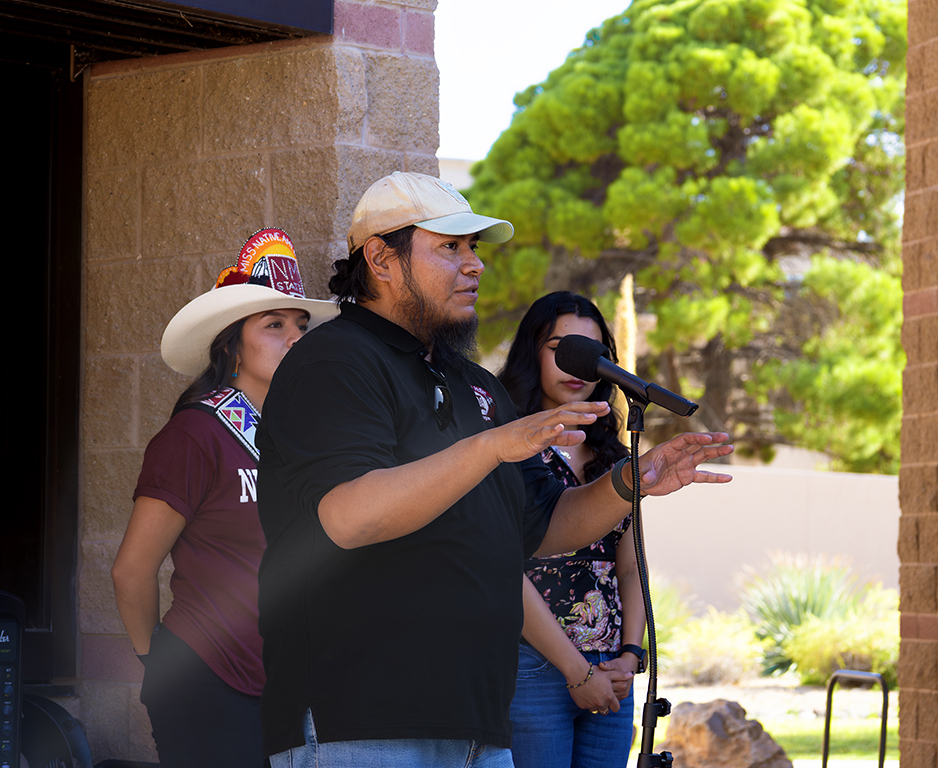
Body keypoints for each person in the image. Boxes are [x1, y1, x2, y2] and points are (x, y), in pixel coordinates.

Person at [255, 171, 733, 767]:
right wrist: (489, 447)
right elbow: (352, 517)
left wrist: (631, 483)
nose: (474, 265)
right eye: (450, 247)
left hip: (481, 724)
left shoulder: (474, 386)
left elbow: (542, 527)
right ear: (380, 258)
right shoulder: (332, 360)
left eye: (474, 248)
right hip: (360, 719)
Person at [111, 229, 339, 768]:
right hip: (203, 682)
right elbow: (130, 571)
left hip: (289, 686)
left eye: (301, 326)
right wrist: (154, 660)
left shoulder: (304, 440)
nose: (294, 338)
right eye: (274, 324)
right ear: (233, 343)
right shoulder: (195, 434)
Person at [499, 291, 643, 768]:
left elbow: (631, 567)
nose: (576, 364)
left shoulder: (617, 459)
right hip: (534, 666)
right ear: (531, 352)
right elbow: (501, 570)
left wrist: (630, 655)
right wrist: (576, 672)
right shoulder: (505, 445)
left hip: (611, 670)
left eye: (592, 353)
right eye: (559, 346)